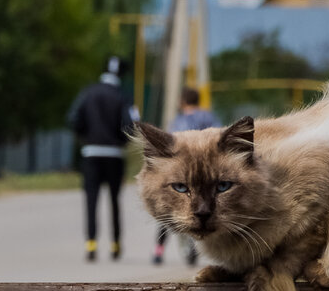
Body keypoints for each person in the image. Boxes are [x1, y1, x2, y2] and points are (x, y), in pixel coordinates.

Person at [67, 56, 137, 262]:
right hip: (114, 155)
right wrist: (121, 142)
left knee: (91, 200)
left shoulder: (88, 92)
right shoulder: (123, 96)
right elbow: (131, 126)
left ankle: (91, 244)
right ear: (122, 74)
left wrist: (85, 137)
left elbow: (73, 118)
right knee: (114, 200)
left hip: (91, 153)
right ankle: (115, 244)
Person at [153, 87, 220, 266]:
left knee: (169, 213)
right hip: (206, 169)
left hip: (182, 170)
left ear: (182, 101)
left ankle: (158, 251)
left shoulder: (178, 120)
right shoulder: (207, 116)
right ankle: (194, 249)